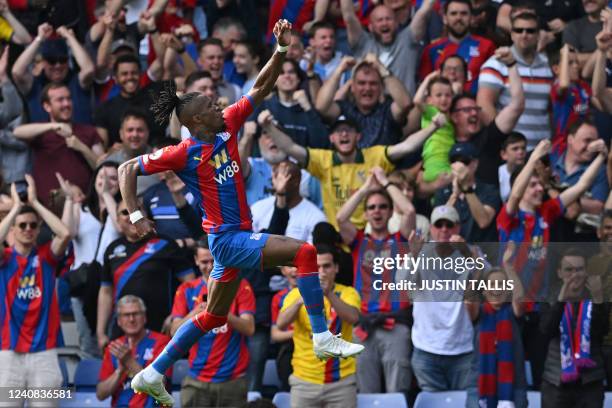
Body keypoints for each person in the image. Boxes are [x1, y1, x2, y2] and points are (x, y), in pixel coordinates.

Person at [117, 19, 364, 406]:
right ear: (196, 121)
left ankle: (152, 373)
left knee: (213, 316)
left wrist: (280, 50)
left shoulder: (227, 125)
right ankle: (321, 337)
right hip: (228, 239)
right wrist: (135, 215)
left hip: (230, 239)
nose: (220, 105)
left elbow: (262, 86)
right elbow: (126, 168)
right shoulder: (182, 153)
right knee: (305, 253)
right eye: (211, 105)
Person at [261, 109, 445, 230]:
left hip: (370, 234)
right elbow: (290, 147)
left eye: (348, 130)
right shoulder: (323, 160)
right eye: (339, 131)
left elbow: (407, 147)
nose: (343, 134)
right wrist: (268, 127)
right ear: (332, 138)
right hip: (339, 236)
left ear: (358, 136)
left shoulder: (375, 156)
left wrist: (434, 126)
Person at [336, 168, 414, 396]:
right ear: (366, 214)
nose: (377, 211)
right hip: (364, 327)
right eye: (371, 208)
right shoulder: (358, 241)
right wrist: (365, 190)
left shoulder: (400, 240)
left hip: (395, 326)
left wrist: (385, 183)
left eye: (382, 206)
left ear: (391, 212)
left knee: (397, 394)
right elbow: (341, 218)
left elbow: (409, 210)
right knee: (366, 395)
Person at [0, 175, 71, 402]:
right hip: (8, 353)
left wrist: (35, 203)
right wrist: (15, 209)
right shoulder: (5, 259)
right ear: (14, 228)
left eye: (33, 225)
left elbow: (65, 234)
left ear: (38, 227)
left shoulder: (46, 257)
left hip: (44, 354)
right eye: (22, 225)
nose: (28, 229)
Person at [96, 199, 196, 348]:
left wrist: (177, 315)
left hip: (160, 327)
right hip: (123, 328)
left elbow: (190, 283)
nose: (131, 216)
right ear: (116, 219)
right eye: (125, 212)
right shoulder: (111, 249)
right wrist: (100, 332)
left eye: (136, 211)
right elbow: (105, 292)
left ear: (145, 215)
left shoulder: (166, 244)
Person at [170, 239, 255, 407]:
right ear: (195, 260)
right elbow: (174, 331)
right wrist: (197, 313)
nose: (209, 266)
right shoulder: (186, 289)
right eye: (204, 262)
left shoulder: (240, 286)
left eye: (214, 261)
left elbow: (249, 328)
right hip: (196, 381)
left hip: (232, 382)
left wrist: (220, 310)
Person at [277, 244, 361, 408]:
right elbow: (281, 324)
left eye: (326, 266)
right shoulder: (295, 294)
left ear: (336, 268)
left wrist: (328, 293)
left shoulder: (348, 293)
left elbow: (353, 318)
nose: (321, 272)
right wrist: (302, 298)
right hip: (304, 381)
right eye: (316, 267)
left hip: (341, 382)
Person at [13, 83, 104, 207]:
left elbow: (103, 168)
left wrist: (82, 147)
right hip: (48, 207)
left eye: (69, 98)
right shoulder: (41, 131)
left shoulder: (88, 131)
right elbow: (17, 132)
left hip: (84, 205)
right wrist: (53, 126)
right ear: (47, 106)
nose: (66, 104)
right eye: (60, 100)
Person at [540, 249, 608, 408]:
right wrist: (561, 301)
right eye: (569, 270)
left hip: (590, 382)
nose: (574, 275)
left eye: (579, 269)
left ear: (586, 272)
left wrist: (599, 300)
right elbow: (546, 330)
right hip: (556, 381)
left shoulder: (596, 297)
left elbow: (601, 331)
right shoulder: (548, 297)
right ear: (559, 272)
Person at [478, 11, 553, 150]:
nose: (524, 35)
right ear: (511, 34)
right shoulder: (496, 63)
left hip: (542, 150)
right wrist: (505, 142)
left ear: (538, 35)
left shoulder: (548, 65)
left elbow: (552, 109)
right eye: (519, 30)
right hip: (512, 153)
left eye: (530, 31)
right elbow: (484, 105)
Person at [465, 244, 528, 408]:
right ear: (484, 291)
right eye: (491, 285)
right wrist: (477, 271)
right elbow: (469, 300)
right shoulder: (478, 313)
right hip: (479, 386)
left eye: (501, 285)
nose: (496, 289)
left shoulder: (513, 313)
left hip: (514, 386)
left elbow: (520, 299)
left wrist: (508, 266)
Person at [339, 0, 436, 94]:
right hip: (370, 108)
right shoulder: (362, 42)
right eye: (379, 20)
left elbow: (425, 10)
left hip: (405, 108)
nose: (384, 23)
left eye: (388, 19)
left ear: (396, 24)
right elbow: (348, 16)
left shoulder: (408, 39)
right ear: (371, 27)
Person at [97, 295, 172, 407]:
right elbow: (101, 394)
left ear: (144, 317)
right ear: (119, 321)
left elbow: (160, 387)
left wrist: (130, 362)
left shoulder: (162, 343)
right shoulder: (114, 347)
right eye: (126, 315)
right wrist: (120, 372)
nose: (131, 319)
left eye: (136, 314)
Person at [11, 23, 95, 124]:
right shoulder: (35, 85)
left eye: (62, 60)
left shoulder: (77, 82)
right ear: (43, 62)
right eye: (52, 60)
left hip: (80, 138)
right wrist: (39, 39)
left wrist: (70, 38)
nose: (58, 65)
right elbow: (17, 72)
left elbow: (89, 69)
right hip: (45, 139)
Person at [418, 0, 495, 94]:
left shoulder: (487, 46)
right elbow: (426, 88)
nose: (458, 18)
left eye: (464, 14)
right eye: (453, 14)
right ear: (445, 18)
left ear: (471, 18)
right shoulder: (431, 50)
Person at [434, 142, 501, 243]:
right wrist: (454, 195)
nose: (459, 166)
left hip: (481, 253)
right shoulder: (443, 192)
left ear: (475, 163)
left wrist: (466, 188)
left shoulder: (490, 190)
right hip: (451, 252)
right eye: (454, 161)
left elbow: (483, 221)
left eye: (464, 161)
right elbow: (439, 225)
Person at [251, 160, 326, 243]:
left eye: (283, 178)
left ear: (297, 181)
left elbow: (313, 254)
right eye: (276, 177)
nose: (279, 183)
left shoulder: (315, 217)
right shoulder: (257, 208)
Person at [499, 132, 528, 202]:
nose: (521, 152)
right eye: (515, 149)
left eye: (523, 148)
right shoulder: (497, 174)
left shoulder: (531, 172)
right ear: (504, 154)